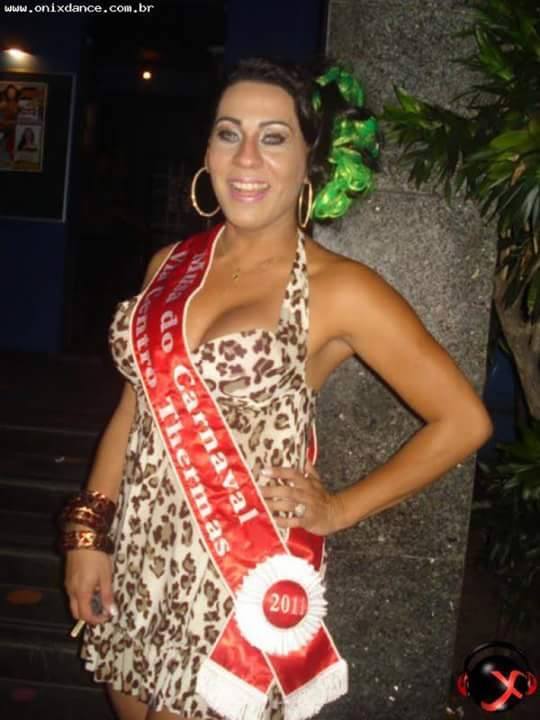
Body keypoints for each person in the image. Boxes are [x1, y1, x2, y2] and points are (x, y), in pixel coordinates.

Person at [61, 57, 492, 720]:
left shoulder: (339, 289)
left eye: (274, 137)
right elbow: (133, 409)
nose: (246, 158)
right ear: (207, 151)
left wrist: (339, 509)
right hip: (139, 563)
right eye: (228, 133)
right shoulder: (168, 266)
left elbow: (464, 421)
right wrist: (88, 535)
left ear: (309, 161)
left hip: (236, 581)